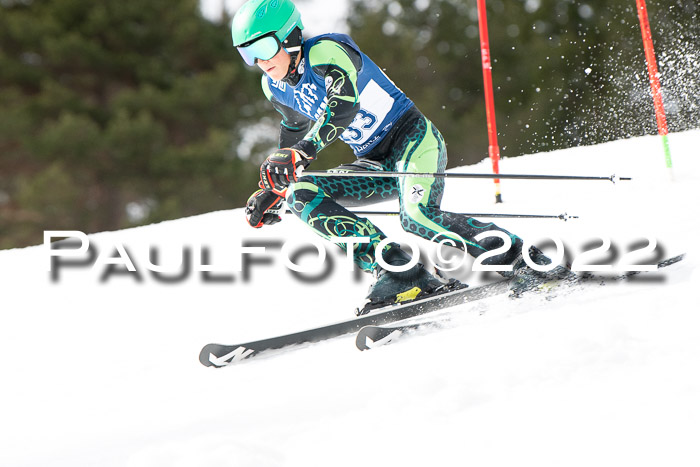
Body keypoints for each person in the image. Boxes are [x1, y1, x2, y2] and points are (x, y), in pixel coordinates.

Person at [232, 0, 561, 314]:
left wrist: (304, 150)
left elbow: (345, 105)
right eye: (249, 54)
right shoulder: (275, 86)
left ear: (289, 37)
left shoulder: (325, 51)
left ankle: (525, 260)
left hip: (413, 140)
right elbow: (294, 133)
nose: (260, 61)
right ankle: (400, 271)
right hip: (374, 163)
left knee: (417, 217)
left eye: (263, 48)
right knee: (301, 193)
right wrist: (273, 190)